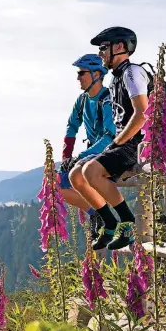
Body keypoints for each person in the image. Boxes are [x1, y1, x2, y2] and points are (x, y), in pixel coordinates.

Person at [69, 27, 149, 250]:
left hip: (141, 141)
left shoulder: (132, 72)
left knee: (90, 171)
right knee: (76, 175)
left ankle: (128, 223)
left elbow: (142, 114)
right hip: (130, 141)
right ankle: (111, 222)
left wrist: (116, 143)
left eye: (104, 48)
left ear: (120, 47)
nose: (101, 53)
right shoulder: (117, 78)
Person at [59, 54, 116, 240]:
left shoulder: (108, 99)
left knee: (79, 175)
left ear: (96, 74)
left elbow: (110, 136)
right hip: (90, 154)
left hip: (108, 153)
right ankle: (95, 212)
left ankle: (101, 214)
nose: (78, 77)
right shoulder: (82, 100)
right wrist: (66, 158)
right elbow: (71, 127)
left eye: (82, 73)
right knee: (56, 184)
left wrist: (81, 156)